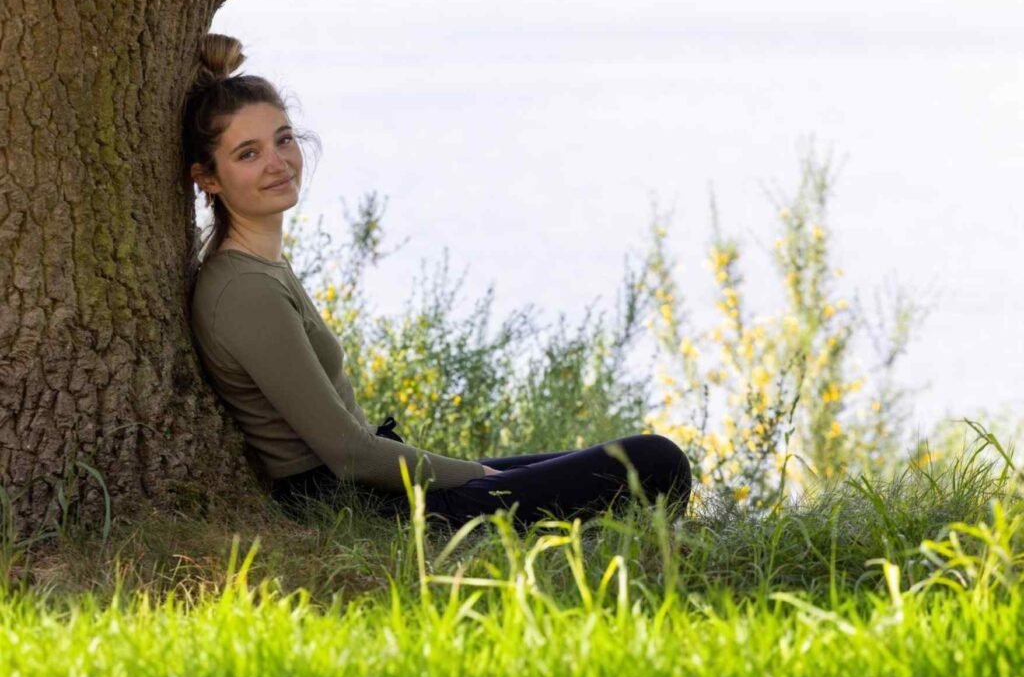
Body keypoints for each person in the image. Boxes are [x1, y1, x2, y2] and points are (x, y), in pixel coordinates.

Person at [183, 33, 691, 532]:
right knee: (654, 461)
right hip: (358, 505)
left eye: (283, 139)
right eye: (248, 154)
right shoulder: (244, 290)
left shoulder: (261, 267)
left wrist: (477, 476)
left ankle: (601, 543)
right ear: (207, 178)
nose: (278, 163)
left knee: (607, 462)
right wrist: (477, 477)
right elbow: (349, 454)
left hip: (370, 487)